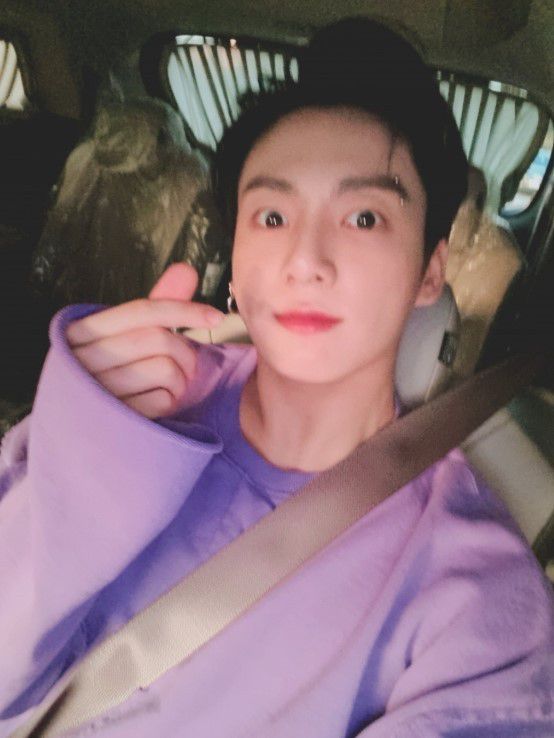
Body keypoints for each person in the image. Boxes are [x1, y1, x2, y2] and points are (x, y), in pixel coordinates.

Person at [1, 17, 553, 738]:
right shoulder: (109, 412)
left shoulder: (477, 596)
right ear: (235, 253)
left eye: (364, 217)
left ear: (430, 271)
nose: (305, 261)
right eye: (270, 215)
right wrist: (80, 473)